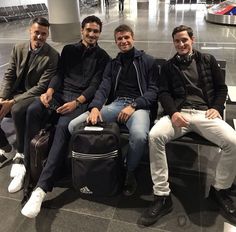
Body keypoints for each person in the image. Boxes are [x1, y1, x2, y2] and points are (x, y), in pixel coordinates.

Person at [138, 25, 236, 226]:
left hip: (205, 114)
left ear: (192, 39)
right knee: (155, 136)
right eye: (177, 41)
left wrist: (217, 107)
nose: (181, 44)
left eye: (184, 40)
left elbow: (221, 88)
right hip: (179, 114)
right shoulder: (168, 66)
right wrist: (173, 112)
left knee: (233, 142)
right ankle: (162, 195)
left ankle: (220, 189)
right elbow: (163, 93)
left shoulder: (207, 60)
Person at [19, 15, 110, 218]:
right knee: (33, 110)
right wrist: (50, 91)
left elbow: (95, 85)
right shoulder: (69, 50)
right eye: (89, 30)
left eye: (96, 31)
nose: (92, 34)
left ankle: (41, 188)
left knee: (62, 127)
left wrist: (77, 102)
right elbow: (59, 74)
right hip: (60, 95)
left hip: (80, 101)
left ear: (99, 33)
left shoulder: (103, 58)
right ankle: (27, 169)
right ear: (82, 31)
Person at [68, 24, 158, 197]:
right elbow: (103, 87)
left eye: (126, 37)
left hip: (138, 107)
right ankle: (97, 161)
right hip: (116, 104)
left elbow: (153, 91)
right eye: (120, 39)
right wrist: (95, 108)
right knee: (74, 125)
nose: (123, 41)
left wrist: (134, 105)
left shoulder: (148, 61)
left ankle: (129, 170)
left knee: (139, 136)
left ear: (133, 38)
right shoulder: (113, 64)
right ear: (116, 42)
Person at [0, 17, 59, 174]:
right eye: (36, 32)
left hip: (33, 94)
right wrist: (2, 97)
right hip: (14, 91)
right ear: (30, 31)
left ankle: (20, 151)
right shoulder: (18, 48)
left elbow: (41, 87)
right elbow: (9, 75)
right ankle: (5, 147)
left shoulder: (52, 56)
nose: (39, 37)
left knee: (17, 110)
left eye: (44, 34)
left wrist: (12, 101)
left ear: (47, 35)